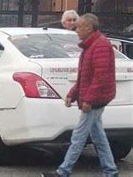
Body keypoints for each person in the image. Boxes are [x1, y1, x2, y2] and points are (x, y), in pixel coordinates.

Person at [42, 14, 118, 177]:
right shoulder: (91, 45)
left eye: (79, 26)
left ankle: (63, 171)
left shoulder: (100, 46)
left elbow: (100, 76)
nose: (76, 30)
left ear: (89, 28)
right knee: (99, 137)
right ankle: (110, 171)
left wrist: (89, 99)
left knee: (78, 136)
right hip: (96, 97)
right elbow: (85, 76)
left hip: (96, 99)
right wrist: (73, 94)